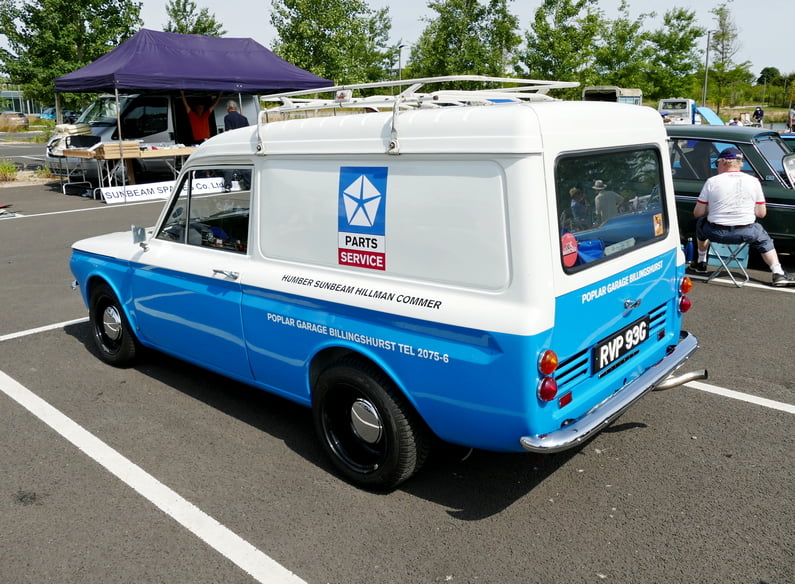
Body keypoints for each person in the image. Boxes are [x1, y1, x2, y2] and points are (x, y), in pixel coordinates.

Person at [690, 147, 795, 287]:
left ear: (724, 162)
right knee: (763, 237)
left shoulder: (712, 182)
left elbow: (697, 213)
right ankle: (777, 273)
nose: (717, 167)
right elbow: (761, 213)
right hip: (745, 233)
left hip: (715, 232)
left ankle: (701, 262)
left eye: (717, 164)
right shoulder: (754, 181)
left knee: (701, 223)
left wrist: (713, 208)